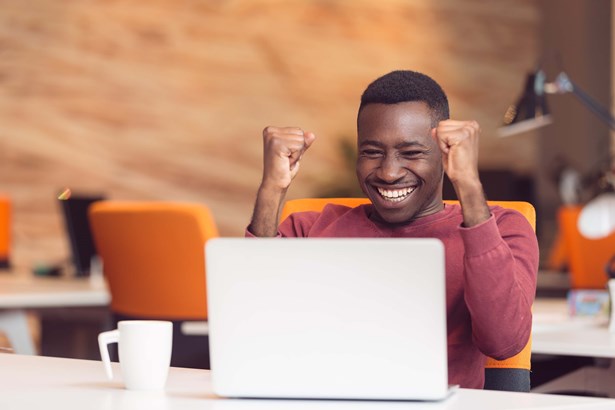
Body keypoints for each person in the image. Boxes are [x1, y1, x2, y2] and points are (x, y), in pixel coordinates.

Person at [247, 70, 538, 389]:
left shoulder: (502, 227)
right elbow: (254, 324)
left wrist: (467, 184)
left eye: (411, 153)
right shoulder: (312, 227)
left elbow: (504, 342)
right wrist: (272, 189)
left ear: (445, 154)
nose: (388, 172)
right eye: (371, 152)